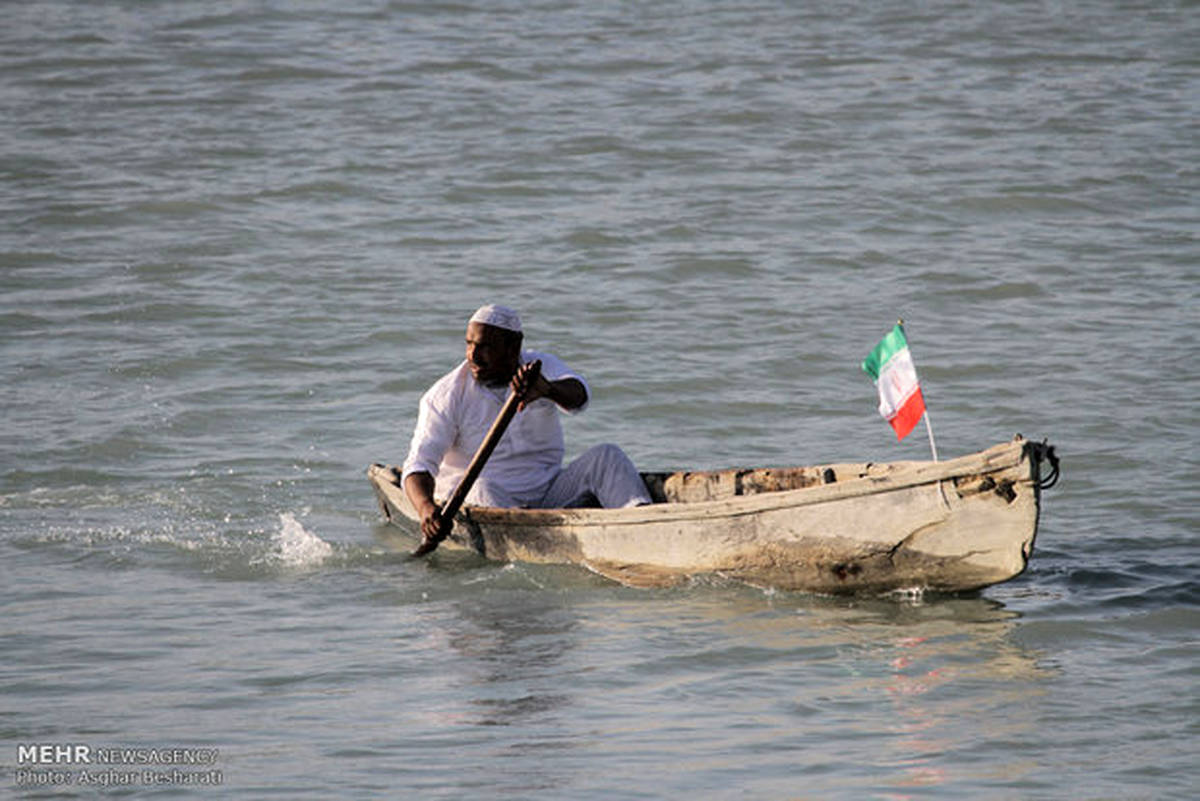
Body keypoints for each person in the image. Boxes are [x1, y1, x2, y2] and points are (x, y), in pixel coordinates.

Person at [401, 304, 652, 543]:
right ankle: (535, 543)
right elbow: (418, 466)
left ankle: (644, 525)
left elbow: (580, 397)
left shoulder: (538, 368)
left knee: (607, 456)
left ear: (514, 348)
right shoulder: (446, 395)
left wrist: (547, 389)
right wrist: (425, 509)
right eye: (469, 344)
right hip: (484, 501)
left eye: (485, 347)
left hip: (547, 494)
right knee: (484, 487)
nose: (473, 355)